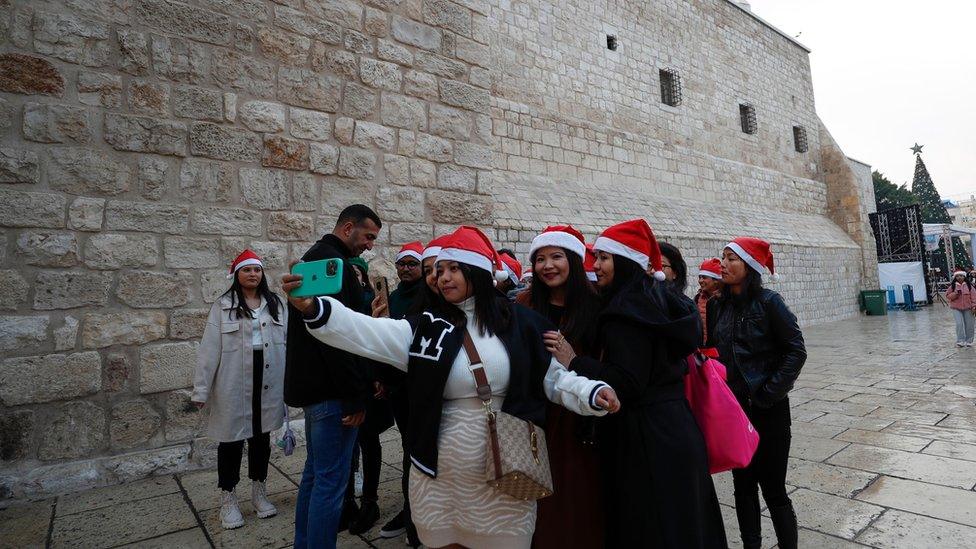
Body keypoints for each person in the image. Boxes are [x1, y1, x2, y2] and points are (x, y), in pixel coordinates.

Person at [283, 225, 621, 549]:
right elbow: (365, 332)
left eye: (454, 269)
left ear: (476, 272)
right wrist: (315, 308)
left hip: (503, 474)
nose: (443, 277)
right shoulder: (425, 327)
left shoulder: (521, 322)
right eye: (440, 270)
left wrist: (590, 393)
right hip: (438, 476)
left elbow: (554, 379)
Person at [546, 219, 727, 548]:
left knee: (652, 528)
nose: (596, 265)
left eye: (604, 258)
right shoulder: (661, 300)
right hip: (676, 428)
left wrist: (574, 361)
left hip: (647, 438)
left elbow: (626, 382)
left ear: (625, 262)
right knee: (686, 526)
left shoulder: (624, 313)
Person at [286, 204, 381, 549]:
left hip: (318, 392)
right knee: (330, 483)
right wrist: (355, 395)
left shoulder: (315, 259)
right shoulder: (334, 267)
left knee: (315, 476)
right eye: (368, 236)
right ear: (348, 228)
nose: (370, 245)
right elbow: (337, 339)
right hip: (335, 394)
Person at [706, 237, 806, 549]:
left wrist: (767, 394)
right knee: (743, 486)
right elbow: (716, 352)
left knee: (773, 489)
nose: (723, 265)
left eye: (731, 259)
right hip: (735, 412)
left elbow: (796, 351)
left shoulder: (769, 303)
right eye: (722, 258)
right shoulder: (717, 306)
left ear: (749, 266)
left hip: (769, 410)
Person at [517, 226, 604, 549]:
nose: (548, 265)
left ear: (574, 261)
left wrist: (573, 360)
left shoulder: (596, 307)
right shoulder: (525, 304)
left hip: (578, 420)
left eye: (556, 256)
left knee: (577, 500)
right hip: (534, 417)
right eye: (540, 259)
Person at [193, 250, 286, 529]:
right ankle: (229, 498)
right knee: (231, 441)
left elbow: (289, 345)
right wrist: (200, 390)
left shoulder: (277, 305)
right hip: (234, 381)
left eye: (257, 270)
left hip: (268, 378)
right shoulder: (223, 306)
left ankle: (259, 492)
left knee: (261, 438)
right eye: (247, 270)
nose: (253, 275)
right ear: (236, 275)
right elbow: (209, 350)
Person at [372, 241, 426, 545]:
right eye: (402, 263)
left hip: (420, 385)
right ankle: (409, 510)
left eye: (412, 264)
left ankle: (417, 514)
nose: (406, 268)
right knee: (408, 448)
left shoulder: (427, 298)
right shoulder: (391, 297)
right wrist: (380, 376)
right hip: (398, 386)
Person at [695, 258, 724, 345]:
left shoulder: (723, 300)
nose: (700, 281)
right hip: (701, 347)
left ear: (716, 280)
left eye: (704, 277)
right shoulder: (697, 298)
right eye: (699, 277)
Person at [946, 270, 975, 347]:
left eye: (961, 276)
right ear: (955, 277)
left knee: (969, 324)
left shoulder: (969, 286)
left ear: (964, 276)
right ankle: (960, 341)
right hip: (956, 308)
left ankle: (969, 341)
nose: (959, 277)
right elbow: (948, 296)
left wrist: (974, 306)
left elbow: (974, 297)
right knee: (959, 324)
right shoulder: (952, 286)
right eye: (957, 276)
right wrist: (955, 294)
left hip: (968, 308)